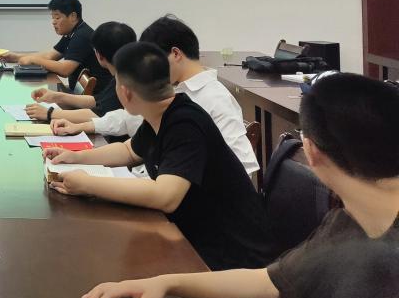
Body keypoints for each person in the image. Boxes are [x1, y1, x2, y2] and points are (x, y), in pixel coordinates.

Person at [81, 72, 399, 298]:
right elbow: (272, 282)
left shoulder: (364, 241)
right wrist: (165, 283)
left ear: (311, 151)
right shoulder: (348, 223)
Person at [46, 41, 277, 271]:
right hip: (194, 237)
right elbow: (129, 151)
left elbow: (165, 196)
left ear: (125, 91)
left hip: (231, 257)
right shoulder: (161, 113)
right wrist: (74, 156)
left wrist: (88, 184)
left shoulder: (185, 123)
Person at [49, 15, 259, 175]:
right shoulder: (175, 90)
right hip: (148, 179)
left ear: (175, 54)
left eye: (154, 59)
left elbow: (243, 167)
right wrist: (80, 141)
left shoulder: (214, 98)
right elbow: (131, 127)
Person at [25, 21, 135, 120]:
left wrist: (49, 113)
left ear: (99, 55)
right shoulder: (125, 73)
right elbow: (97, 101)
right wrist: (56, 96)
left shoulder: (124, 81)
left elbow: (98, 114)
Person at [0, 0, 106, 84]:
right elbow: (50, 55)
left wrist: (33, 60)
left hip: (92, 96)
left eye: (57, 17)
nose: (53, 22)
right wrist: (16, 57)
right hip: (79, 93)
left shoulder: (81, 36)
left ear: (73, 16)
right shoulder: (71, 33)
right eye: (53, 18)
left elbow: (65, 70)